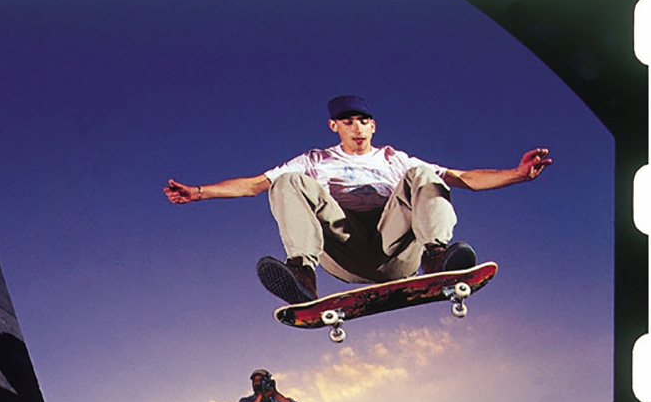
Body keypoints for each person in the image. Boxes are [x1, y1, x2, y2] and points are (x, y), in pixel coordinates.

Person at [164, 94, 551, 303]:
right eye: (348, 122)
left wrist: (516, 174)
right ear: (335, 126)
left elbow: (463, 178)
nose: (357, 128)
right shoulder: (314, 160)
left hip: (396, 247)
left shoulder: (393, 158)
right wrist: (199, 193)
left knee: (424, 174)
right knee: (287, 182)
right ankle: (302, 273)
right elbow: (253, 185)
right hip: (344, 249)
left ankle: (436, 259)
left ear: (373, 125)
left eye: (363, 121)